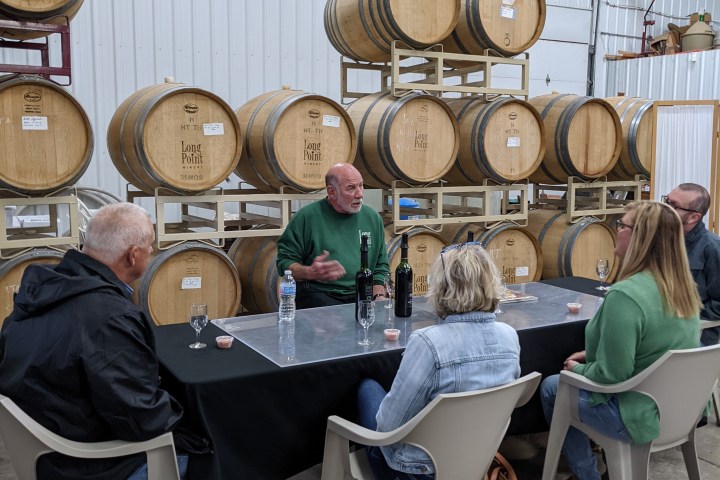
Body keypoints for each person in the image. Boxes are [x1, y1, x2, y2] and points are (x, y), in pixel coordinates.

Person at [0, 203, 204, 480]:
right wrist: (194, 416)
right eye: (150, 247)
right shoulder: (110, 317)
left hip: (47, 445)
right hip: (91, 463)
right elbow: (141, 419)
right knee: (211, 451)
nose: (153, 252)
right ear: (133, 256)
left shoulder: (46, 288)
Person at [540, 201, 701, 480]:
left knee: (554, 387)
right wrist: (592, 355)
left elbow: (613, 375)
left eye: (622, 225)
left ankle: (587, 474)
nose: (616, 231)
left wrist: (578, 369)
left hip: (636, 415)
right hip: (682, 412)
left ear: (641, 236)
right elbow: (653, 348)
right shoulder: (682, 287)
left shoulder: (625, 295)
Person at [356, 243, 520, 479]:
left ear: (442, 287)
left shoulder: (428, 343)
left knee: (367, 387)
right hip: (476, 459)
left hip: (417, 470)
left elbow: (388, 426)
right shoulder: (509, 336)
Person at [276, 163, 390, 309]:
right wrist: (310, 272)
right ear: (332, 192)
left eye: (361, 186)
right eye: (351, 188)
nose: (360, 194)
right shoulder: (307, 217)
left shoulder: (372, 217)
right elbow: (284, 262)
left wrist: (378, 294)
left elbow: (381, 265)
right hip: (320, 294)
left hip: (363, 294)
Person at [663, 183, 720, 345]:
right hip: (660, 327)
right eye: (666, 201)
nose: (665, 209)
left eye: (674, 206)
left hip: (695, 334)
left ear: (694, 217)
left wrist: (683, 316)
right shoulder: (661, 240)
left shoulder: (713, 248)